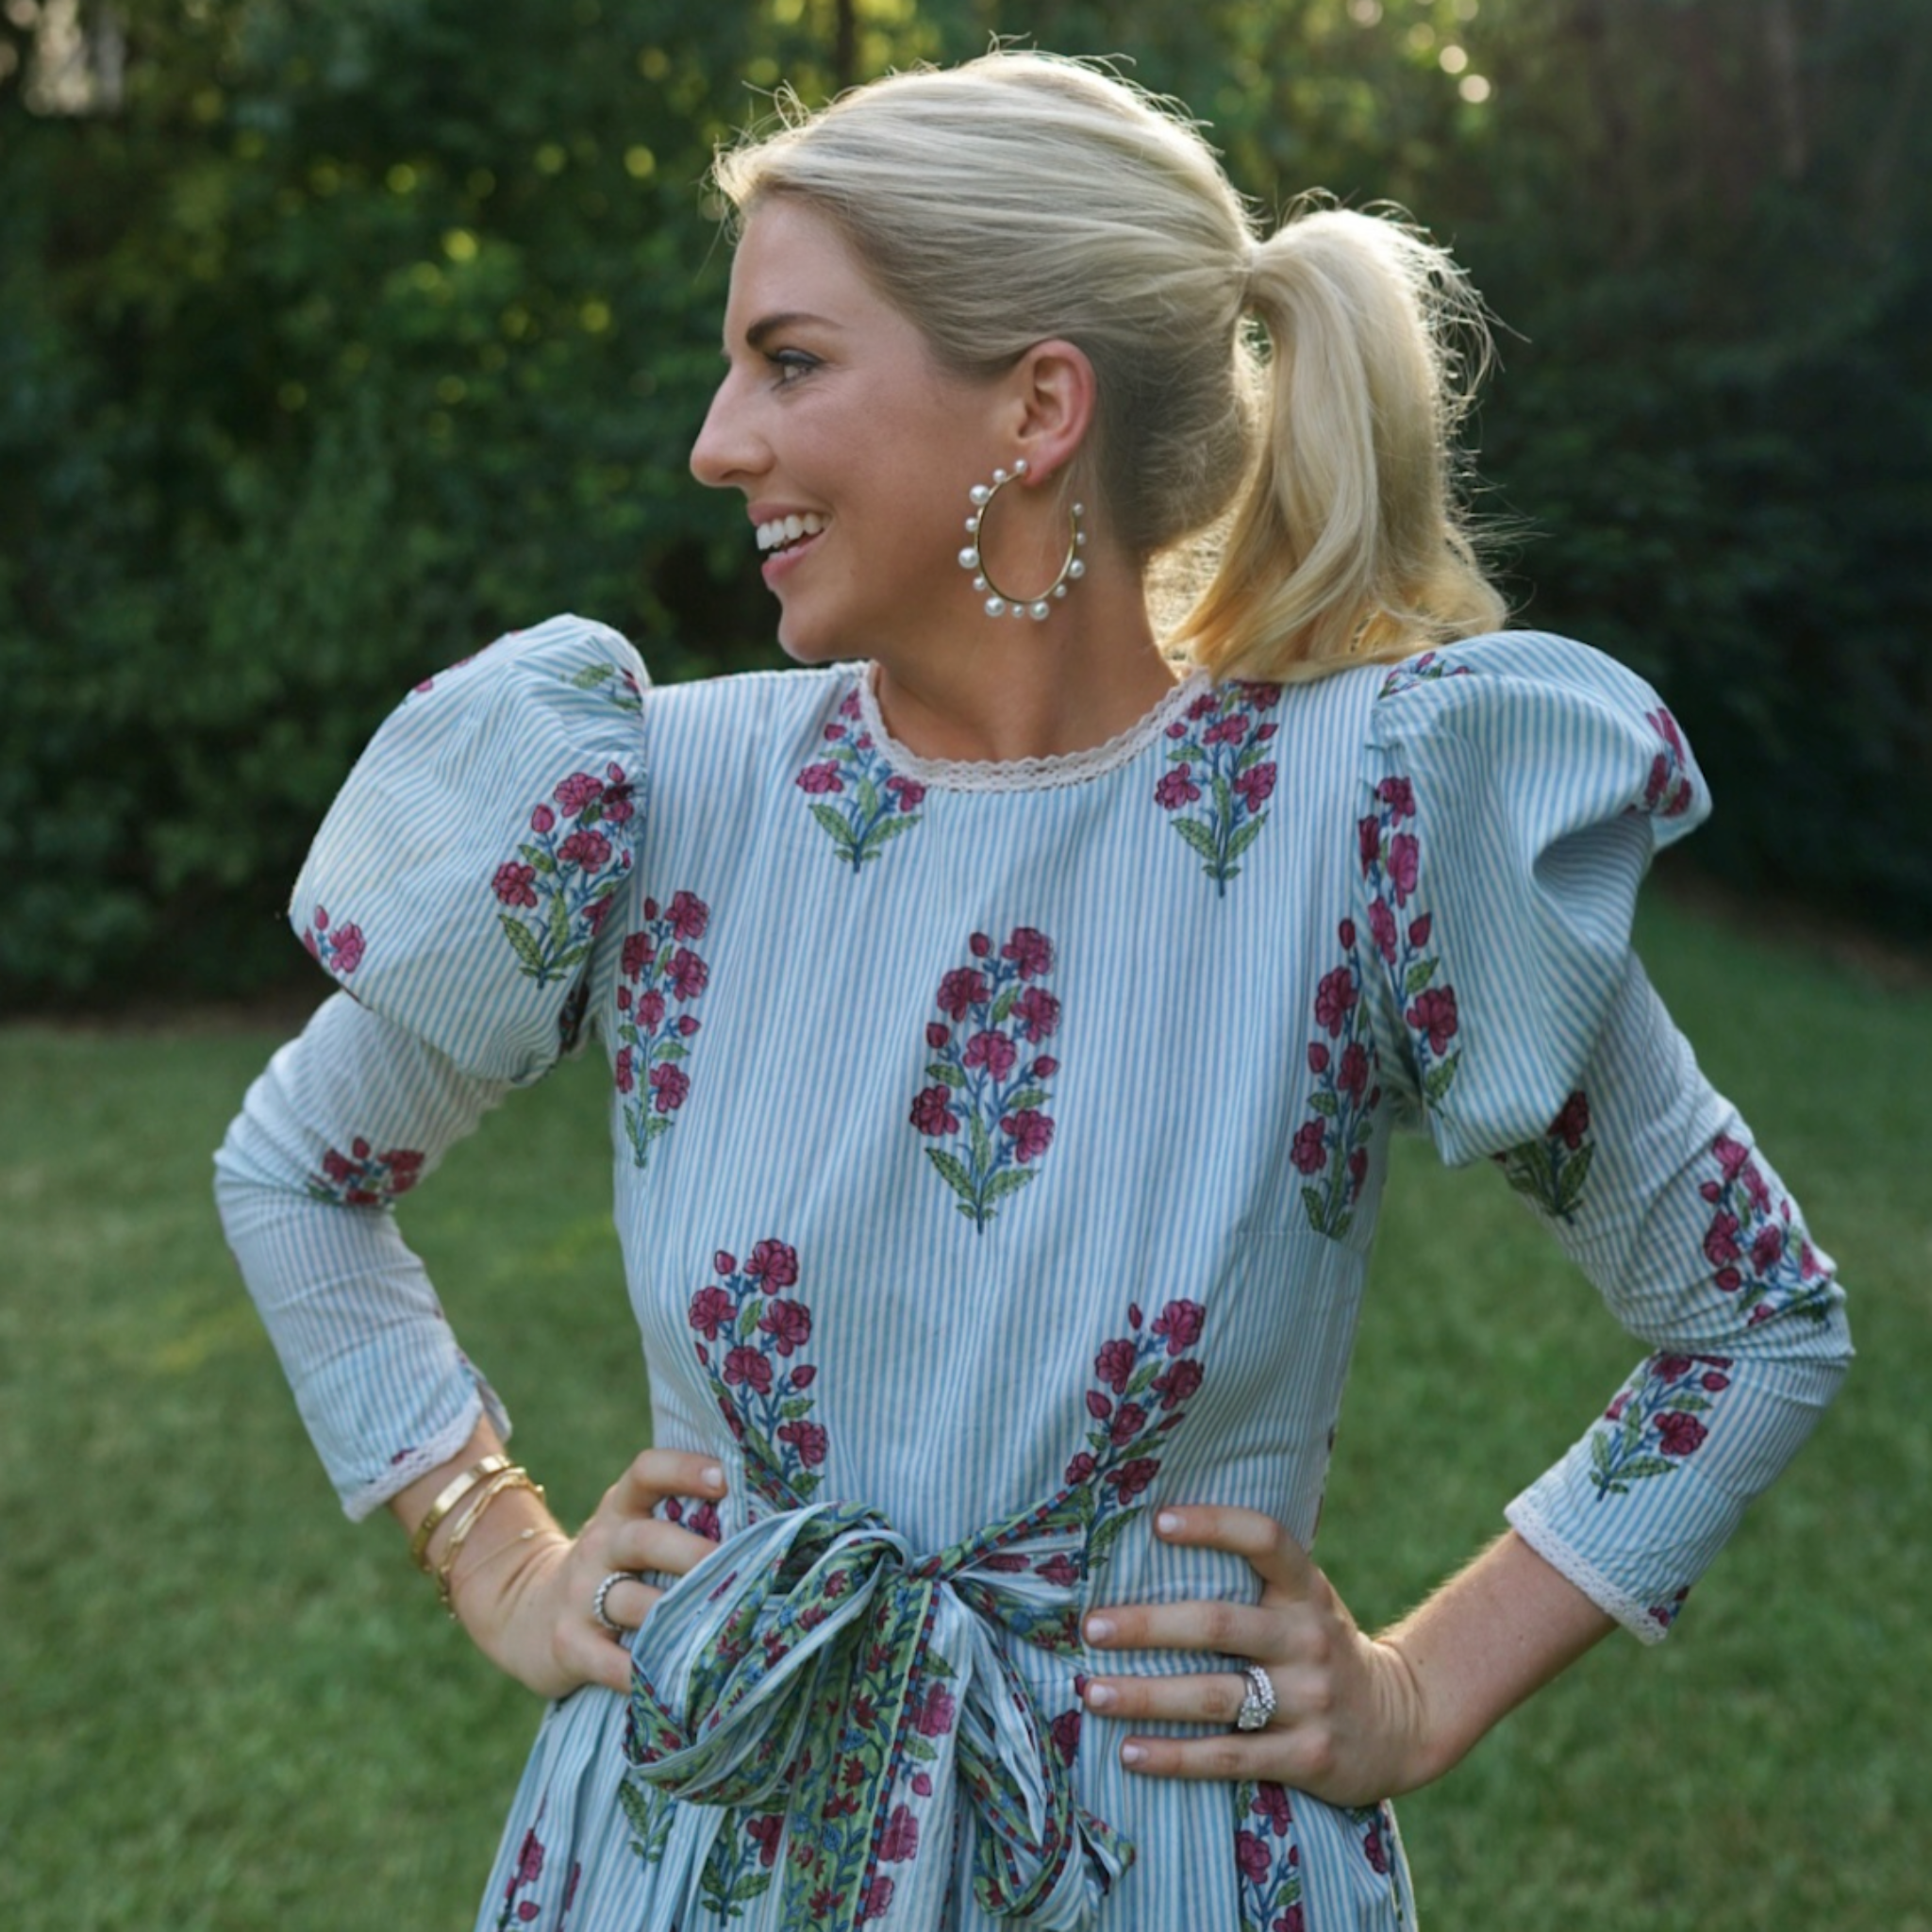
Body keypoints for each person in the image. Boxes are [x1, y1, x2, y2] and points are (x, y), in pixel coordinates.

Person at [215, 50, 1850, 1932]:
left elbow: (1752, 1320)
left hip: (1171, 1865)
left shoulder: (1375, 822)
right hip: (697, 1846)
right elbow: (298, 1167)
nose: (717, 441)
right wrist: (490, 1542)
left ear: (1038, 407)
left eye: (789, 361)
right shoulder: (651, 800)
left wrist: (1418, 1686)